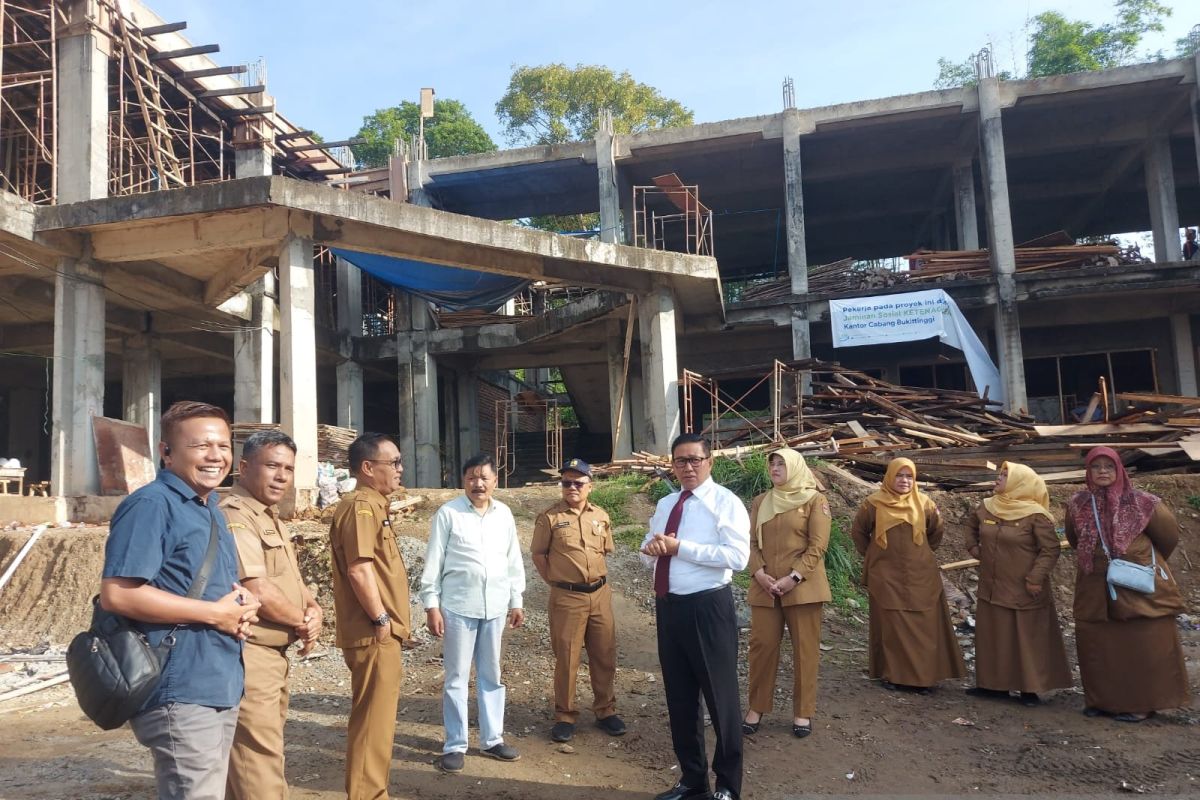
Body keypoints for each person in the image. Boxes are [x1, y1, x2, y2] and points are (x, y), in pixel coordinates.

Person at [99, 400, 261, 800]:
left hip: (218, 679)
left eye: (223, 446)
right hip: (179, 685)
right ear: (166, 452)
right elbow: (117, 593)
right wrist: (215, 614)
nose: (216, 456)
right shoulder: (152, 505)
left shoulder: (210, 508)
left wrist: (240, 604)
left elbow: (201, 585)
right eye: (201, 446)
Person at [640, 433, 750, 800]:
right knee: (680, 698)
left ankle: (728, 785)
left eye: (694, 460)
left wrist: (680, 548)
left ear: (709, 462)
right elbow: (647, 551)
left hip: (708, 607)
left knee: (721, 698)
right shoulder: (666, 503)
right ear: (672, 465)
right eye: (680, 461)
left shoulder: (725, 502)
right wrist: (652, 549)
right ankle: (692, 780)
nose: (687, 467)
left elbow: (737, 557)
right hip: (669, 607)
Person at [223, 430, 323, 800]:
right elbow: (258, 589)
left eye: (289, 469)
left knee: (257, 757)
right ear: (244, 467)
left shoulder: (270, 516)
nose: (282, 476)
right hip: (250, 655)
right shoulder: (234, 514)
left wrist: (314, 609)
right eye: (272, 466)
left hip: (272, 656)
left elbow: (291, 580)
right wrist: (302, 622)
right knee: (257, 763)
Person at [1064, 446, 1190, 722]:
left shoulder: (1143, 502)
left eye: (1109, 466)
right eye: (1096, 467)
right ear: (1088, 471)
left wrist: (1137, 560)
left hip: (1137, 586)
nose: (1102, 472)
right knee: (1100, 645)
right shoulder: (1078, 503)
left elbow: (1167, 538)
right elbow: (1074, 539)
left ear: (1119, 469)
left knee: (1141, 644)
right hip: (1094, 588)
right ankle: (1103, 701)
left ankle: (1143, 704)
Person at [421, 453, 526, 774]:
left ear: (495, 481)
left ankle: (492, 739)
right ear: (463, 480)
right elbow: (434, 561)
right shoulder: (449, 513)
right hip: (457, 607)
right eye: (471, 478)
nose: (478, 484)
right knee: (456, 676)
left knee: (491, 675)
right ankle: (455, 744)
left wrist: (516, 600)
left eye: (484, 478)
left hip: (495, 607)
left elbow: (513, 560)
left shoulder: (503, 514)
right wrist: (431, 605)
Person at [329, 433, 411, 800]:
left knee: (379, 722)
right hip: (372, 632)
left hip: (379, 632)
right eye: (393, 462)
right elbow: (359, 570)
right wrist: (381, 620)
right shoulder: (361, 506)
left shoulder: (375, 506)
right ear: (367, 467)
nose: (400, 469)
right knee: (372, 724)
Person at [850, 457, 965, 693]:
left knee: (923, 624)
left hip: (921, 575)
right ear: (889, 477)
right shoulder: (873, 504)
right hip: (886, 576)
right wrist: (875, 556)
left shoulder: (925, 504)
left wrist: (919, 555)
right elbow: (859, 532)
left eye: (909, 476)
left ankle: (924, 678)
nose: (904, 481)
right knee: (893, 625)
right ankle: (894, 675)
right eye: (899, 475)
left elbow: (936, 533)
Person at [530, 458, 625, 743]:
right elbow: (539, 555)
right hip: (567, 597)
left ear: (589, 486)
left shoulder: (602, 516)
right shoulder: (549, 518)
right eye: (566, 483)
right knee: (567, 657)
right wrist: (557, 582)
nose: (572, 487)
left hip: (600, 595)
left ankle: (605, 710)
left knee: (604, 654)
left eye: (578, 483)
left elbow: (604, 551)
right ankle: (565, 715)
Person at [964, 461, 1071, 707]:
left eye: (1004, 475)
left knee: (1025, 637)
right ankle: (993, 685)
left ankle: (1029, 688)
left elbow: (1050, 550)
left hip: (1024, 588)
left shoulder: (1036, 515)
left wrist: (1035, 578)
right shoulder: (987, 507)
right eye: (1000, 474)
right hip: (992, 586)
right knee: (994, 635)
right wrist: (973, 548)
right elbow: (970, 526)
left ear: (1019, 483)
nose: (998, 478)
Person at [743, 448, 831, 740]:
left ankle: (803, 711)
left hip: (802, 587)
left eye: (782, 464)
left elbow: (817, 546)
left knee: (805, 650)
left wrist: (793, 577)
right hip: (765, 587)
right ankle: (756, 707)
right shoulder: (761, 501)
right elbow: (750, 542)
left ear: (795, 467)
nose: (775, 468)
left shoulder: (815, 500)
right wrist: (759, 572)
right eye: (772, 464)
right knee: (761, 647)